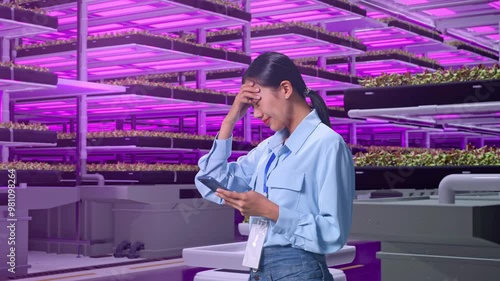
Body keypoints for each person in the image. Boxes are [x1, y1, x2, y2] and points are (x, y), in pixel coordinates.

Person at [195, 51, 355, 281]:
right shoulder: (269, 148)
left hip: (299, 271)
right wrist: (229, 120)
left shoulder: (327, 145)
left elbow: (333, 233)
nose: (257, 114)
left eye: (258, 103)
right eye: (251, 107)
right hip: (257, 268)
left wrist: (269, 210)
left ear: (286, 89)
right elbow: (210, 182)